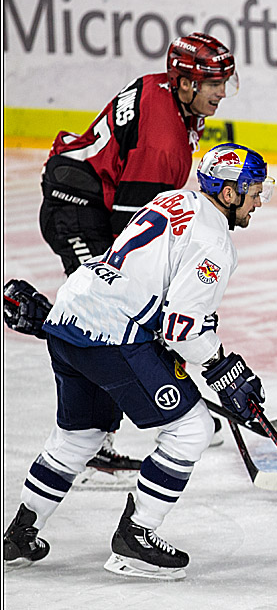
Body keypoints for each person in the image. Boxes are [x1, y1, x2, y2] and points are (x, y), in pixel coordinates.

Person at [2, 143, 275, 580]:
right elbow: (181, 328)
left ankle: (19, 532)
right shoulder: (215, 243)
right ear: (228, 193)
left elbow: (156, 293)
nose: (259, 201)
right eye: (254, 191)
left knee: (80, 435)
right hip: (113, 334)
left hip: (71, 312)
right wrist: (226, 372)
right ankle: (135, 538)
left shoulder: (174, 199)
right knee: (193, 429)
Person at [4, 32, 238, 479]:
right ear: (186, 82)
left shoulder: (164, 93)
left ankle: (111, 425)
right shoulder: (163, 139)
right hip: (78, 210)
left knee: (112, 317)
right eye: (213, 83)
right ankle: (94, 434)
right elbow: (129, 233)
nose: (221, 92)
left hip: (87, 200)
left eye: (224, 82)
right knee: (104, 316)